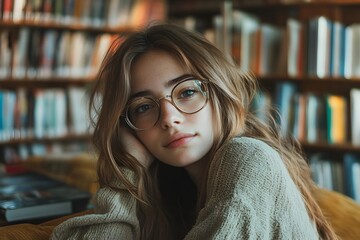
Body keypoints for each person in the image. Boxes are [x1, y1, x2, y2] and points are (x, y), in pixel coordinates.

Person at [50, 23, 338, 240]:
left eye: (187, 91)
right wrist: (129, 170)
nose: (169, 119)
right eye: (143, 107)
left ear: (220, 92)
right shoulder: (171, 190)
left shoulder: (249, 159)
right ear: (127, 125)